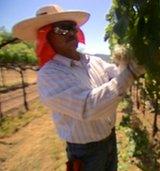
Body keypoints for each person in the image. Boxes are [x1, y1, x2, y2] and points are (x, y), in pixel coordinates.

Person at [12, 4, 144, 171]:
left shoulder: (92, 60)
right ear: (45, 36)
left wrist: (132, 59)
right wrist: (130, 73)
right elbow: (88, 107)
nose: (71, 32)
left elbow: (117, 75)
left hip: (110, 139)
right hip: (85, 152)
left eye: (72, 27)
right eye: (62, 29)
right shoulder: (50, 75)